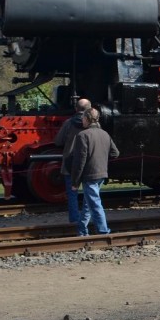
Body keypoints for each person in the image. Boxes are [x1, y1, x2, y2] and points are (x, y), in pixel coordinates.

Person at [68, 107, 119, 237]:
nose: (82, 121)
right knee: (88, 204)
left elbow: (79, 161)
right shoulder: (104, 134)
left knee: (94, 203)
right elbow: (115, 153)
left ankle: (103, 231)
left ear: (86, 119)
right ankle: (81, 229)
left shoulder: (82, 135)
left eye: (83, 118)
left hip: (89, 175)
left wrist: (74, 182)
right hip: (101, 173)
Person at [54, 97, 92, 225]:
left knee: (72, 194)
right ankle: (86, 220)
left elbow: (58, 141)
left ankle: (74, 219)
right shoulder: (94, 124)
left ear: (76, 108)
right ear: (89, 109)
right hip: (88, 163)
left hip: (70, 162)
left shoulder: (68, 123)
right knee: (89, 194)